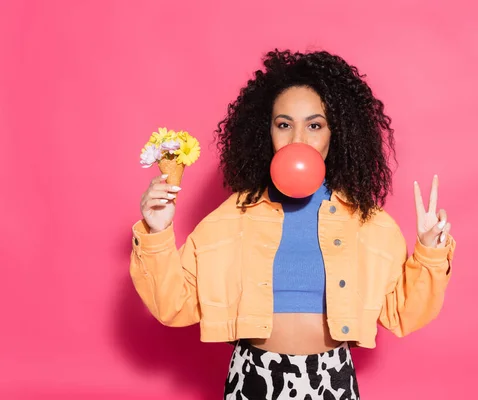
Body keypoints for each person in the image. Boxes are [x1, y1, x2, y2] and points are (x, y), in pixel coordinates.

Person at [130, 49, 456, 400]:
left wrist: (429, 252)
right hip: (253, 377)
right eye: (284, 124)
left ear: (336, 134)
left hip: (331, 378)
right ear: (265, 132)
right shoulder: (232, 216)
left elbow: (403, 313)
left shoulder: (368, 222)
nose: (297, 139)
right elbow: (173, 305)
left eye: (314, 125)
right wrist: (158, 233)